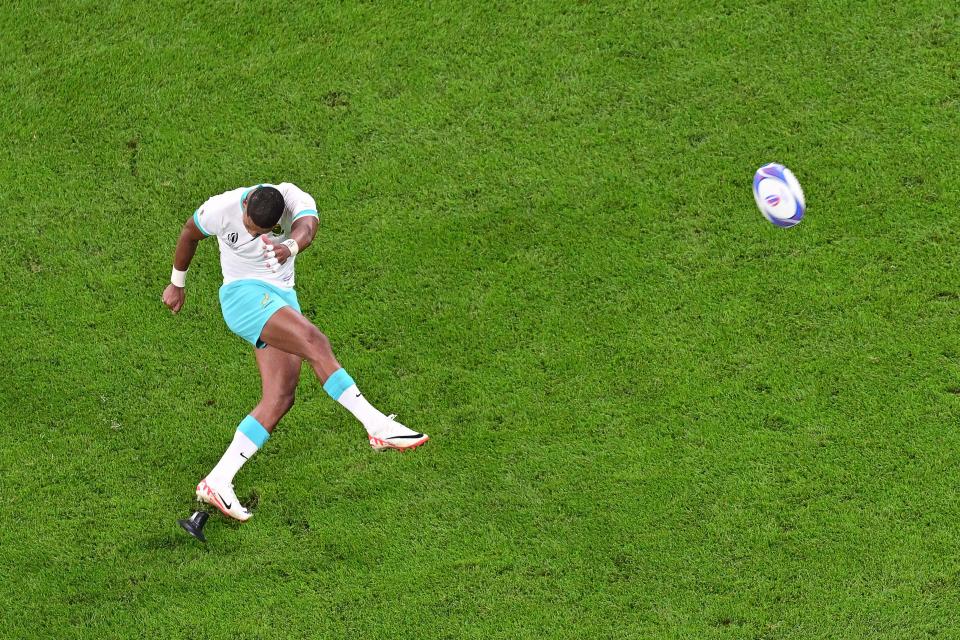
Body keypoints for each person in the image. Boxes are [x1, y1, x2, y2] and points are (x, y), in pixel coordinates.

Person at [162, 183, 428, 521]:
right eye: (247, 223)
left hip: (281, 297)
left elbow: (308, 228)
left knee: (281, 396)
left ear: (275, 224)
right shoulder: (221, 207)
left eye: (259, 231)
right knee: (316, 342)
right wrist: (177, 283)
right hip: (243, 297)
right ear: (245, 205)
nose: (249, 232)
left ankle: (218, 481)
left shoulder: (294, 198)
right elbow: (189, 233)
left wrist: (290, 246)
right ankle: (376, 425)